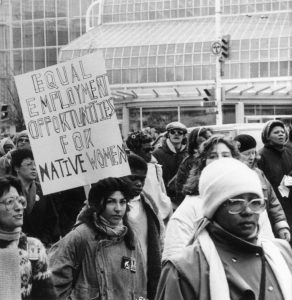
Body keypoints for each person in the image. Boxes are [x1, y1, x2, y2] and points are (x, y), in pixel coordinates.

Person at [156, 158, 292, 300]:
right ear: (214, 208)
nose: (248, 211)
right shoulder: (184, 269)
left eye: (255, 202)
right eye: (236, 203)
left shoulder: (282, 253)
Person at [163, 135, 274, 261]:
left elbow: (268, 244)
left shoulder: (252, 201)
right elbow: (174, 258)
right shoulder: (191, 205)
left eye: (226, 155)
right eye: (212, 156)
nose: (220, 160)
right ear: (202, 163)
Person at [49, 177, 147, 300]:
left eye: (122, 202)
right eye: (111, 201)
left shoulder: (130, 238)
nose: (118, 208)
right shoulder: (80, 236)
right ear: (98, 203)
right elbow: (53, 289)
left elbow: (140, 288)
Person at [0, 175, 57, 300]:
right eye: (10, 202)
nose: (18, 207)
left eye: (20, 201)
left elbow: (46, 296)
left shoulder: (33, 247)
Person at [234, 134, 290, 241]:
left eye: (253, 153)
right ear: (236, 155)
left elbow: (273, 202)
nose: (251, 157)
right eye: (246, 154)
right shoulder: (231, 176)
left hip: (265, 230)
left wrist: (281, 226)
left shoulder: (259, 174)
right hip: (245, 232)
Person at [126, 154, 164, 300]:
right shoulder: (106, 207)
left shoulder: (149, 203)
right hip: (121, 276)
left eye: (142, 179)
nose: (138, 183)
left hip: (148, 273)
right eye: (133, 178)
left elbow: (161, 238)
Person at [11, 148, 59, 247]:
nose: (34, 168)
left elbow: (51, 219)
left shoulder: (42, 190)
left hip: (39, 247)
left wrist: (42, 242)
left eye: (35, 164)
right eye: (28, 164)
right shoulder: (7, 190)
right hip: (13, 246)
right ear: (16, 168)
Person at [126, 131, 172, 223]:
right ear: (135, 150)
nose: (151, 152)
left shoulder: (154, 166)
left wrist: (167, 203)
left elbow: (161, 191)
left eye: (151, 148)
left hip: (160, 215)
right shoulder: (126, 170)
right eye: (147, 150)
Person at [257, 120, 292, 244]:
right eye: (276, 132)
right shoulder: (261, 156)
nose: (281, 134)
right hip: (277, 206)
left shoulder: (289, 151)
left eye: (283, 132)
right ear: (267, 136)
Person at [152, 121, 188, 208]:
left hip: (185, 200)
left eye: (180, 132)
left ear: (183, 136)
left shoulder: (188, 155)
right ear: (168, 134)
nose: (176, 134)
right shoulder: (157, 154)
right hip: (165, 200)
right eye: (173, 132)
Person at [175, 127, 213, 206]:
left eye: (211, 137)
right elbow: (181, 188)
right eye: (207, 137)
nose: (210, 141)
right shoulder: (189, 162)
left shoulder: (213, 158)